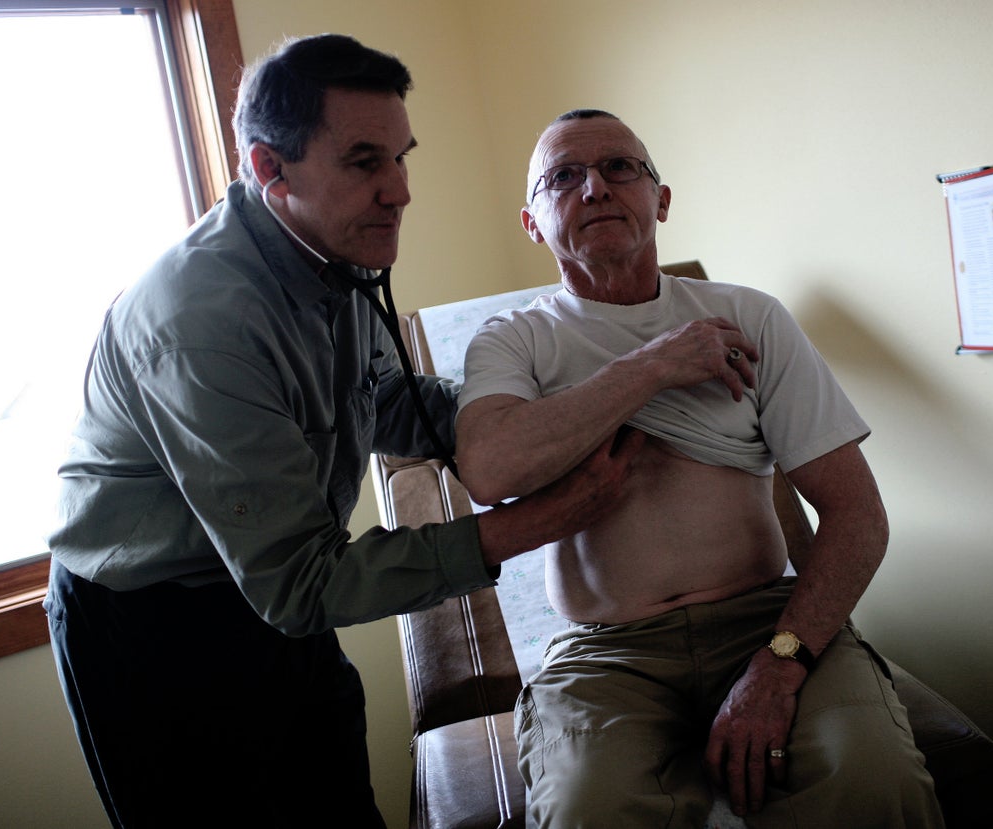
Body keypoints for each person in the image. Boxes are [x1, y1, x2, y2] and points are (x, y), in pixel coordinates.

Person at [43, 40, 637, 829]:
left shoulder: (335, 250)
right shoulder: (201, 324)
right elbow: (302, 584)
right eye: (364, 162)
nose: (400, 191)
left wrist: (535, 421)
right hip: (155, 625)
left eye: (401, 157)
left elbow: (388, 399)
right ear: (270, 168)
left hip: (279, 595)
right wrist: (531, 524)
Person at [454, 109, 945, 828]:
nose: (594, 188)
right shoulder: (512, 342)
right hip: (608, 655)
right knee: (590, 808)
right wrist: (654, 365)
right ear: (532, 221)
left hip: (766, 621)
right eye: (563, 177)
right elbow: (491, 470)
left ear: (662, 199)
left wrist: (782, 663)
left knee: (872, 782)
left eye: (620, 168)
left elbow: (857, 515)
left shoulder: (751, 318)